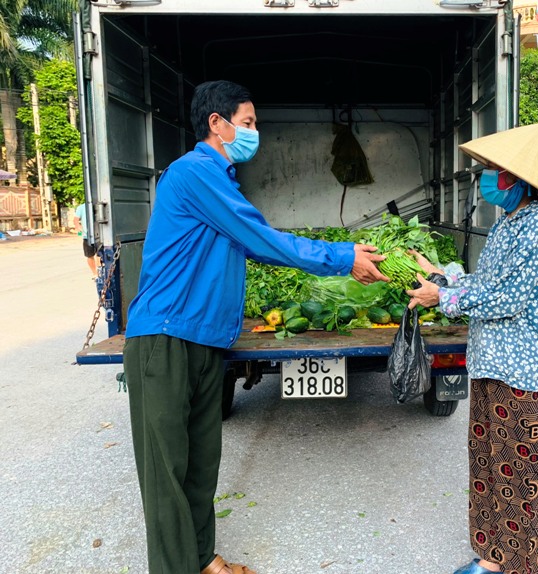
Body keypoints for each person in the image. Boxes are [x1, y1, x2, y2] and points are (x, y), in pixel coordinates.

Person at [122, 80, 389, 574]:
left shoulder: (221, 181)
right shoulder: (193, 173)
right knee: (167, 477)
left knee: (200, 469)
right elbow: (262, 239)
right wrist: (342, 255)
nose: (254, 133)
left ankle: (203, 561)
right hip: (165, 338)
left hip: (204, 340)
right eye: (247, 123)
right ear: (216, 124)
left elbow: (250, 245)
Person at [406, 124, 538, 574]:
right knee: (487, 465)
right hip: (492, 364)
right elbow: (488, 284)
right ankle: (492, 557)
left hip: (522, 375)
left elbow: (509, 297)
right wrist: (441, 275)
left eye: (494, 170)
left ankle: (521, 566)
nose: (487, 178)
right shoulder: (510, 223)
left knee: (519, 474)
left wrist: (441, 298)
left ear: (520, 178)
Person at [73, 202, 100, 279]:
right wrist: (79, 228)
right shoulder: (81, 207)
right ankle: (95, 273)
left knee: (99, 255)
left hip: (99, 234)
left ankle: (100, 272)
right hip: (87, 235)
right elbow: (75, 220)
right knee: (89, 255)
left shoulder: (99, 204)